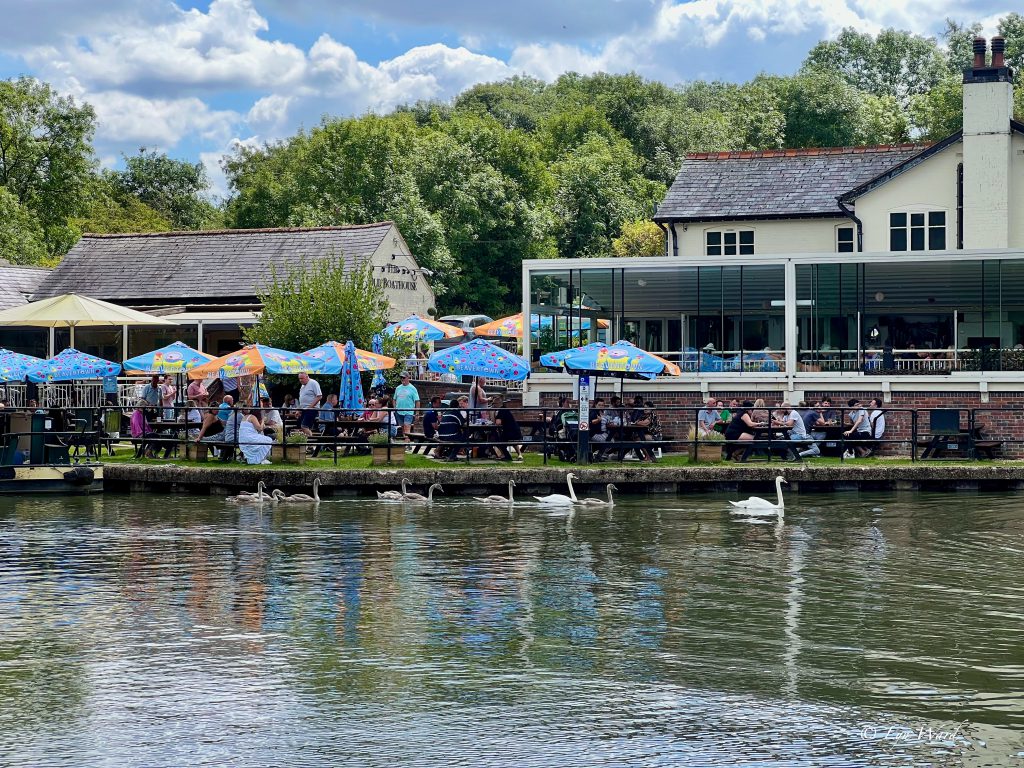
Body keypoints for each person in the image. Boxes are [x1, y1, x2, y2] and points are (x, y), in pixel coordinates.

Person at [436, 395, 469, 460]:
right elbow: (462, 423)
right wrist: (467, 417)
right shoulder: (456, 412)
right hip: (449, 436)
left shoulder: (446, 412)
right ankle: (452, 456)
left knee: (459, 434)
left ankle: (449, 453)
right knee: (463, 437)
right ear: (457, 406)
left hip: (441, 435)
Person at [491, 395, 522, 461]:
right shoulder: (505, 409)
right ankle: (519, 454)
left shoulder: (501, 411)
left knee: (498, 440)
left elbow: (498, 423)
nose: (492, 405)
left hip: (510, 432)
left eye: (493, 403)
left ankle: (506, 456)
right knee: (504, 439)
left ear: (497, 404)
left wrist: (493, 415)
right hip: (515, 430)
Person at [394, 373, 420, 442]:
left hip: (409, 411)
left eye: (404, 377)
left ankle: (407, 444)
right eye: (401, 377)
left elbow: (417, 401)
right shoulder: (398, 388)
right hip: (399, 411)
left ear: (408, 377)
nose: (402, 379)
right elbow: (394, 399)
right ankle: (406, 442)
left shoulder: (412, 388)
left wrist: (417, 413)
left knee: (407, 427)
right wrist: (395, 408)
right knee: (403, 428)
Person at [297, 372, 322, 436]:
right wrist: (299, 410)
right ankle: (308, 443)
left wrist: (310, 407)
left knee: (304, 426)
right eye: (299, 378)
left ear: (307, 377)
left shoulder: (313, 383)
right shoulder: (302, 386)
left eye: (302, 378)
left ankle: (310, 443)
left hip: (312, 409)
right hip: (304, 409)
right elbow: (302, 399)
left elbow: (319, 396)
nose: (300, 380)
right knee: (303, 427)